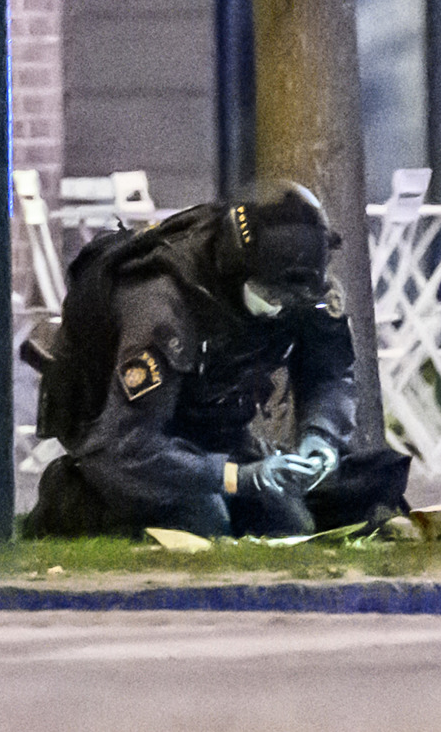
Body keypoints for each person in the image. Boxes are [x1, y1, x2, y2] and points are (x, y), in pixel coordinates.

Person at [24, 181, 409, 539]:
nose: (278, 310)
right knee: (205, 523)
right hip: (122, 441)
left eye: (288, 301)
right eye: (268, 296)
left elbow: (330, 372)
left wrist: (320, 437)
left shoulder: (300, 282)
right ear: (233, 270)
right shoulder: (163, 303)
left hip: (212, 429)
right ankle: (71, 496)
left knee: (288, 524)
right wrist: (236, 478)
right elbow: (131, 442)